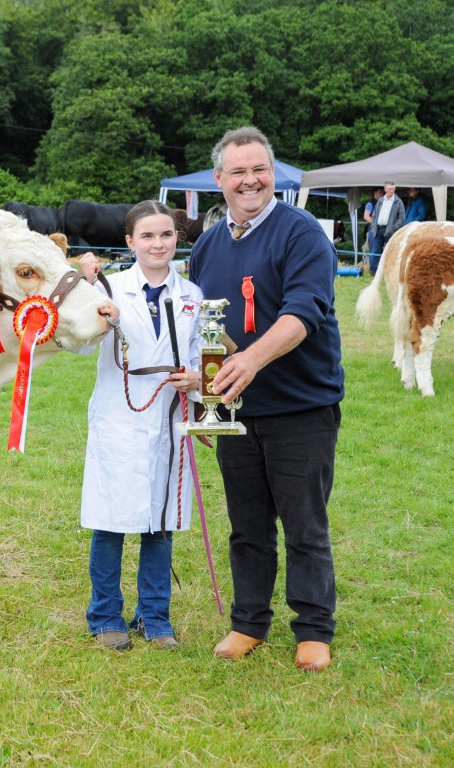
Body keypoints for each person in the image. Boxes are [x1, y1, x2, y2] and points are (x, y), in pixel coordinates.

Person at [188, 125, 343, 673]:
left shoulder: (302, 233)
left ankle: (314, 629)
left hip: (301, 407)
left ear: (273, 174)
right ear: (220, 179)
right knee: (247, 525)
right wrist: (206, 396)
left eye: (260, 169)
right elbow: (206, 328)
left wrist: (252, 360)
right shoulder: (206, 245)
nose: (250, 180)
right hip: (237, 410)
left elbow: (305, 311)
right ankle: (248, 623)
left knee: (305, 526)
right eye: (239, 172)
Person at [78, 201, 202, 652]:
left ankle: (154, 616)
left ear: (177, 238)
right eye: (147, 236)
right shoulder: (107, 288)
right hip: (119, 417)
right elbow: (77, 344)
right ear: (130, 242)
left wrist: (197, 378)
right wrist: (87, 295)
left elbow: (198, 351)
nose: (158, 244)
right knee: (110, 521)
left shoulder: (192, 295)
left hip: (169, 417)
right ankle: (105, 614)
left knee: (160, 522)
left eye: (166, 235)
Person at [368, 181, 405, 275]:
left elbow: (402, 218)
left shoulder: (398, 201)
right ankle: (374, 272)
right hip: (378, 229)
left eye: (393, 189)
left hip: (390, 231)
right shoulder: (380, 200)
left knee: (391, 252)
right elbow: (374, 214)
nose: (392, 190)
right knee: (375, 251)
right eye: (390, 189)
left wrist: (393, 228)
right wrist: (373, 226)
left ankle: (391, 272)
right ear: (385, 189)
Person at [362, 187, 383, 253]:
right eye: (380, 192)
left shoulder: (383, 203)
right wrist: (377, 224)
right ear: (375, 192)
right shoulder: (370, 204)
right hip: (373, 231)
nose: (382, 194)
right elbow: (366, 217)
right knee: (374, 252)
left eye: (382, 192)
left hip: (382, 231)